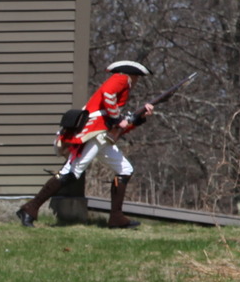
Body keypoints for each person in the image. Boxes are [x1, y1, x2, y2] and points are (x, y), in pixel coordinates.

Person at [18, 59, 155, 229]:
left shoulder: (123, 84)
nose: (136, 81)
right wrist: (117, 118)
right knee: (72, 171)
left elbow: (120, 125)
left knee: (125, 170)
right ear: (133, 75)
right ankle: (29, 209)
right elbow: (107, 94)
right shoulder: (121, 78)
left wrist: (140, 117)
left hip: (102, 134)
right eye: (137, 77)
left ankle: (116, 217)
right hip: (95, 132)